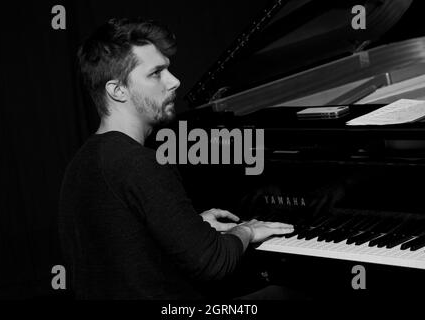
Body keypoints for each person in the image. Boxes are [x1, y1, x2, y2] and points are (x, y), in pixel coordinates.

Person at [58, 17, 294, 300]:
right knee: (297, 292)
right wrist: (246, 230)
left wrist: (190, 225)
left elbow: (123, 242)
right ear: (117, 90)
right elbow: (213, 263)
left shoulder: (83, 161)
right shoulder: (140, 163)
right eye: (156, 73)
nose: (175, 81)